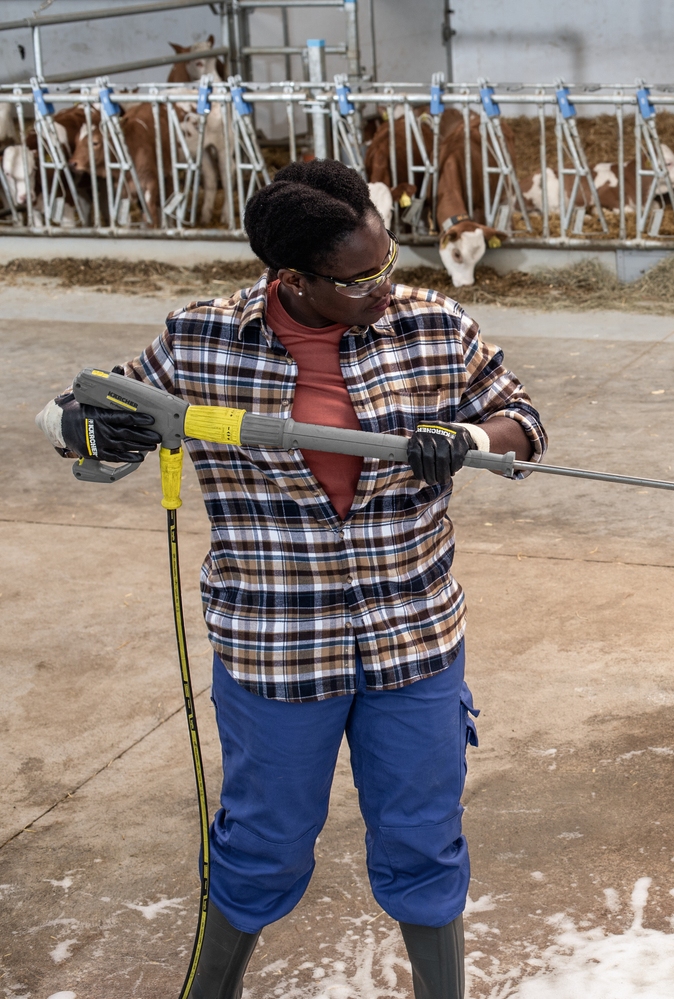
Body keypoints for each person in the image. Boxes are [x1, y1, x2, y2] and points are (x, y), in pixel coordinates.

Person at [34, 160, 545, 998]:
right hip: (275, 650)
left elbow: (522, 419)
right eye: (360, 279)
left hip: (412, 640)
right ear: (293, 278)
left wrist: (474, 441)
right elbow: (78, 414)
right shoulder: (203, 338)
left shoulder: (433, 326)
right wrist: (84, 426)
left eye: (390, 263)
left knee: (424, 838)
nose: (387, 286)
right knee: (262, 840)